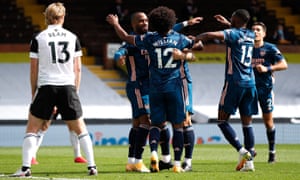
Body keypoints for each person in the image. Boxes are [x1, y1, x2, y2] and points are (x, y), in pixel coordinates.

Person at [107, 6, 201, 173]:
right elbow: (121, 48)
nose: (144, 23)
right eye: (140, 21)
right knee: (146, 122)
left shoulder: (150, 38)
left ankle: (159, 159)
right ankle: (137, 161)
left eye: (146, 20)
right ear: (133, 24)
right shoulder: (136, 40)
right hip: (138, 86)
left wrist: (186, 23)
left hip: (152, 87)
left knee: (152, 123)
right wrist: (118, 57)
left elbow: (171, 29)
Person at [11, 2, 97, 177]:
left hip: (46, 86)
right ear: (63, 16)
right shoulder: (72, 37)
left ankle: (26, 168)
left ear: (46, 17)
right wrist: (75, 91)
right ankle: (92, 167)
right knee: (80, 128)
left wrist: (34, 92)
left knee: (32, 128)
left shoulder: (38, 38)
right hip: (67, 86)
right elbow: (78, 69)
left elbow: (33, 69)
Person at [194, 9, 258, 171]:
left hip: (234, 83)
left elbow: (210, 35)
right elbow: (237, 31)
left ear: (236, 20)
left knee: (222, 121)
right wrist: (228, 24)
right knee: (247, 123)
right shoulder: (250, 34)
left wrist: (196, 39)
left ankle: (242, 150)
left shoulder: (233, 33)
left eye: (232, 18)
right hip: (250, 83)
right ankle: (249, 163)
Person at [251, 22, 288, 163]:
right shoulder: (246, 48)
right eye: (253, 29)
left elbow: (284, 65)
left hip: (265, 90)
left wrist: (267, 69)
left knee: (268, 122)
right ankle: (250, 150)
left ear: (264, 33)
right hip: (249, 89)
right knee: (247, 119)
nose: (255, 32)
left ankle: (272, 152)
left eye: (258, 30)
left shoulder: (270, 48)